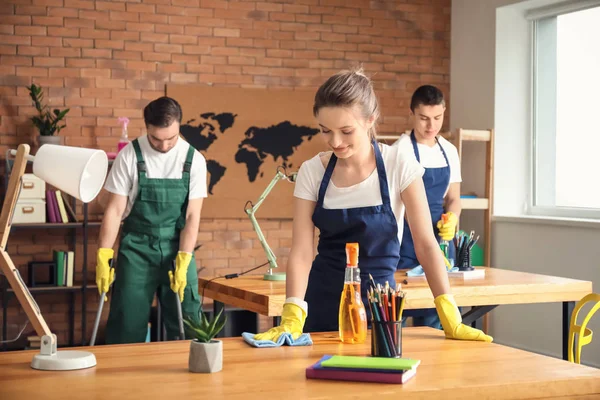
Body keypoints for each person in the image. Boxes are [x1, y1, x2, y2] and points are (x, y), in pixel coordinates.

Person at [254, 69, 491, 343]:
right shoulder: (312, 172)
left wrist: (449, 314)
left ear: (370, 120)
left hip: (380, 307)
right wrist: (293, 313)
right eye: (325, 131)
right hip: (323, 304)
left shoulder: (399, 165)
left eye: (346, 131)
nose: (335, 142)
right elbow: (302, 252)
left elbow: (426, 246)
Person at [95, 96, 207, 344]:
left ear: (179, 126)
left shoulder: (194, 160)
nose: (165, 146)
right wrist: (104, 254)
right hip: (136, 249)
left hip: (176, 248)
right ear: (147, 128)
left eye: (171, 138)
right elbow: (114, 211)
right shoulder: (130, 156)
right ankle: (122, 379)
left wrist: (185, 258)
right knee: (126, 323)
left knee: (189, 323)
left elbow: (192, 216)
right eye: (157, 139)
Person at [394, 85, 462, 329]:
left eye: (437, 118)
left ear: (444, 111)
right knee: (396, 315)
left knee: (436, 319)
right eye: (423, 118)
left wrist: (452, 219)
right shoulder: (399, 151)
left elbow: (453, 198)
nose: (430, 126)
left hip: (440, 245)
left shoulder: (449, 151)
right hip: (405, 245)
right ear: (412, 113)